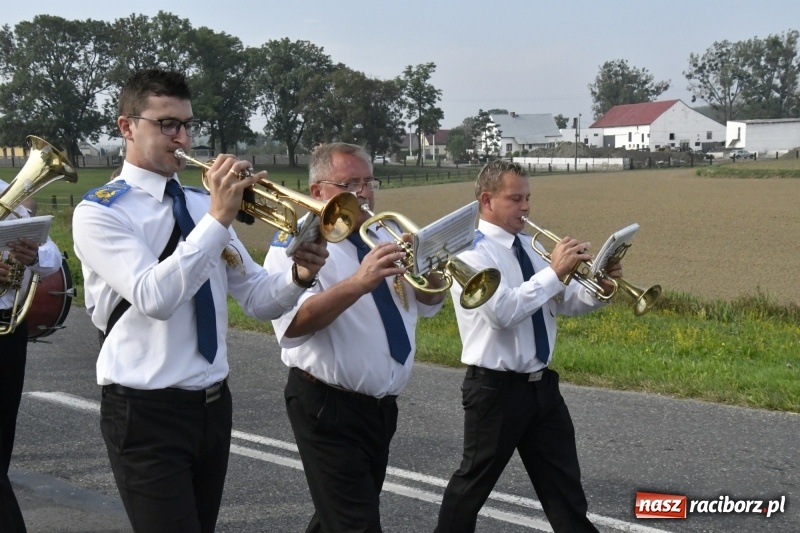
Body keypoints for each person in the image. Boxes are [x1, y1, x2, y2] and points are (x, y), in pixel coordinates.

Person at [72, 68, 328, 533]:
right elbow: (154, 296)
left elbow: (256, 297)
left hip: (212, 406)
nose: (183, 137)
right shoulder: (100, 212)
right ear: (127, 127)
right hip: (145, 410)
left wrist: (300, 274)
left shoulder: (197, 204)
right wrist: (217, 218)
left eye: (188, 124)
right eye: (167, 124)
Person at [263, 142, 445, 532]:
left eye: (368, 182)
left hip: (379, 409)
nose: (364, 193)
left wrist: (428, 265)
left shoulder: (383, 234)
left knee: (338, 518)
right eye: (351, 183)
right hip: (327, 405)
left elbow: (429, 302)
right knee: (356, 523)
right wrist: (359, 282)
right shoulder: (296, 245)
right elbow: (293, 325)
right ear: (318, 191)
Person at [434, 160, 623, 533]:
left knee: (566, 494)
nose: (526, 207)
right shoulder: (470, 253)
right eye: (515, 198)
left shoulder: (530, 247)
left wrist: (599, 288)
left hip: (542, 388)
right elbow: (502, 312)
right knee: (471, 489)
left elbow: (565, 302)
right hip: (495, 389)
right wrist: (553, 273)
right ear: (487, 200)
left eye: (528, 198)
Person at [1, 178, 62, 533]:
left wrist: (34, 255)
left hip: (8, 332)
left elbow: (51, 257)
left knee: (4, 438)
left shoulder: (7, 191)